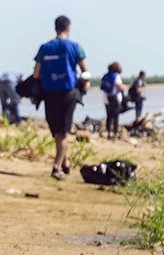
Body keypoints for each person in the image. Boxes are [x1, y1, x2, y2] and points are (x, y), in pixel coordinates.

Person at [32, 15, 89, 180]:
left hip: (50, 94)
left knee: (58, 132)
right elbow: (85, 71)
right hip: (68, 93)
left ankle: (65, 164)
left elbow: (36, 73)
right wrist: (85, 84)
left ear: (55, 28)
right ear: (68, 28)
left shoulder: (45, 48)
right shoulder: (74, 47)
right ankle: (58, 166)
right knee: (62, 133)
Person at [100, 62, 127, 139]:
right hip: (114, 99)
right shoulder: (116, 76)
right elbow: (119, 86)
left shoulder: (105, 76)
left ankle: (108, 133)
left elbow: (102, 87)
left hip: (105, 98)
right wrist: (125, 87)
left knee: (109, 116)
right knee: (116, 116)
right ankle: (115, 133)